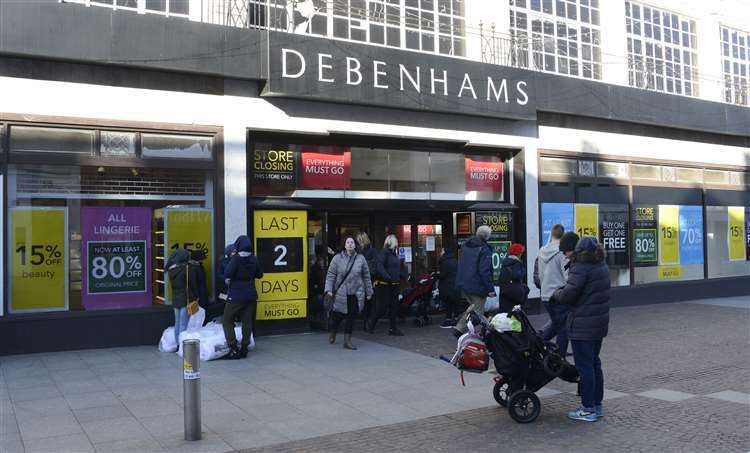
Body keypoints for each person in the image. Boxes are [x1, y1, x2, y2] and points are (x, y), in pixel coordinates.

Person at [552, 236, 610, 422]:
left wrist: (557, 293)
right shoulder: (602, 266)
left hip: (582, 324)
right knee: (594, 363)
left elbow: (569, 294)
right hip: (598, 324)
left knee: (585, 366)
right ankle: (597, 405)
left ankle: (588, 408)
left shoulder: (581, 268)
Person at [325, 237, 374, 349]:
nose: (350, 244)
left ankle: (347, 341)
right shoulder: (337, 258)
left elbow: (366, 276)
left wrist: (369, 292)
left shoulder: (361, 259)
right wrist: (328, 290)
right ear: (344, 245)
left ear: (355, 245)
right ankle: (333, 330)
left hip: (355, 293)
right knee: (338, 316)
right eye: (348, 242)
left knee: (351, 316)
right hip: (341, 293)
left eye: (352, 242)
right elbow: (331, 275)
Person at [222, 235, 263, 360]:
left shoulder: (235, 259)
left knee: (227, 320)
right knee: (247, 321)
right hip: (250, 295)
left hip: (236, 295)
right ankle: (244, 347)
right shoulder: (254, 259)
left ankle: (233, 348)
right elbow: (260, 275)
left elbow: (227, 274)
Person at [539, 229, 577, 356]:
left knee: (557, 324)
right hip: (558, 294)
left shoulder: (543, 251)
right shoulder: (563, 252)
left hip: (546, 293)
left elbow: (539, 274)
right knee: (563, 328)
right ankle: (559, 357)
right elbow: (568, 276)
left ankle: (536, 343)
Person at [454, 226, 495, 335]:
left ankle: (484, 329)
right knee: (477, 312)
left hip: (464, 283)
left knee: (473, 309)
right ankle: (460, 330)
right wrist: (490, 289)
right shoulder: (484, 249)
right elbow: (484, 271)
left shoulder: (466, 246)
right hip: (477, 286)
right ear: (487, 236)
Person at [367, 234, 404, 336]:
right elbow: (379, 266)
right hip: (384, 285)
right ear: (392, 242)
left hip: (394, 285)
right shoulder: (384, 253)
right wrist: (387, 277)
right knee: (382, 308)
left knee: (394, 307)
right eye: (396, 241)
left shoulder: (393, 254)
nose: (397, 243)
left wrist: (403, 275)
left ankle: (393, 328)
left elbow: (395, 268)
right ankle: (371, 324)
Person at [166, 248, 197, 346]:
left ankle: (177, 344)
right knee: (184, 324)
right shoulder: (187, 269)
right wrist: (196, 296)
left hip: (176, 298)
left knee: (178, 323)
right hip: (185, 298)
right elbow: (193, 284)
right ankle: (182, 346)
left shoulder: (171, 270)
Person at [498, 243, 528, 313]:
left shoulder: (505, 262)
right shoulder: (516, 263)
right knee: (514, 314)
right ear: (518, 253)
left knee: (505, 313)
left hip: (504, 291)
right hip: (514, 293)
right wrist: (523, 270)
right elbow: (517, 275)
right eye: (521, 252)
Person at [356, 232, 378, 329]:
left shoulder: (367, 251)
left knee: (368, 302)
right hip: (365, 279)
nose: (357, 242)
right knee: (367, 302)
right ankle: (367, 322)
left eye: (359, 241)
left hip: (367, 279)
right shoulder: (364, 251)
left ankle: (367, 322)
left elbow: (374, 266)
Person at [438, 247, 460, 328]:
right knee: (455, 303)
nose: (441, 252)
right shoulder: (455, 260)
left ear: (445, 252)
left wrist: (436, 275)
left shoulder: (445, 262)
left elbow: (443, 275)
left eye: (442, 250)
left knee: (448, 303)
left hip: (447, 285)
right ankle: (456, 320)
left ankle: (448, 320)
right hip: (455, 285)